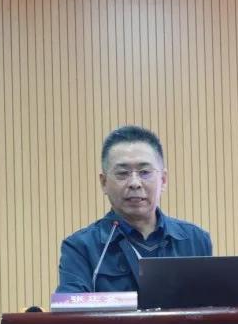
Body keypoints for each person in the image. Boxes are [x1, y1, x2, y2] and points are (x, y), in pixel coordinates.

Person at [56, 125, 212, 292]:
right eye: (122, 173)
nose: (134, 183)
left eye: (144, 172)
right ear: (104, 183)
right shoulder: (81, 247)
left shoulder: (194, 240)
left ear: (163, 180)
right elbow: (71, 306)